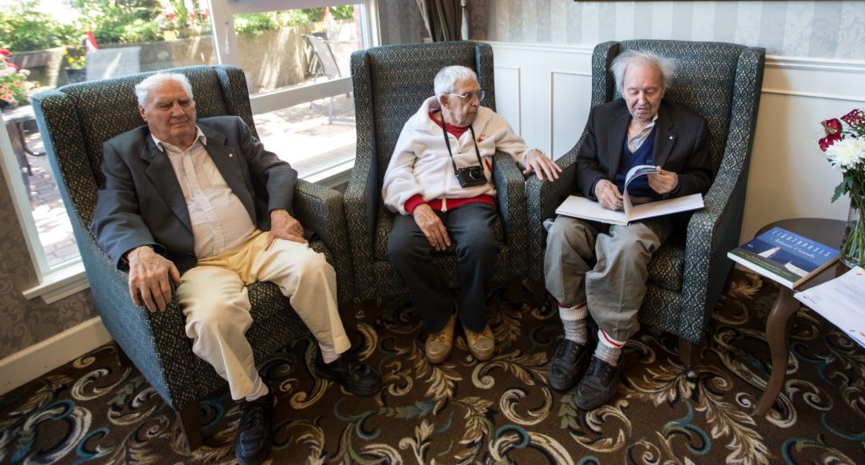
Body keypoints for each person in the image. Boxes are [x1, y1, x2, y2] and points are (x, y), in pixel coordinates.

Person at [91, 72, 381, 465]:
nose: (179, 112)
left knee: (312, 266)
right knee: (212, 319)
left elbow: (276, 169)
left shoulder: (228, 130)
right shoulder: (123, 152)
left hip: (256, 240)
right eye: (165, 105)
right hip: (197, 265)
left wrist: (279, 212)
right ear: (144, 113)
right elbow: (113, 212)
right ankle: (253, 397)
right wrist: (139, 250)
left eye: (185, 102)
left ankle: (336, 356)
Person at [543, 50, 713, 410]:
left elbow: (705, 177)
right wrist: (597, 185)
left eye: (650, 91)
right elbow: (585, 162)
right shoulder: (603, 115)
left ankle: (607, 353)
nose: (641, 101)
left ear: (663, 90)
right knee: (561, 233)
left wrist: (678, 183)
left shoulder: (691, 125)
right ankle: (575, 337)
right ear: (622, 88)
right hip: (601, 205)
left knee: (625, 249)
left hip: (650, 211)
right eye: (633, 91)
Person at [383, 65, 562, 364]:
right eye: (467, 96)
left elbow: (517, 148)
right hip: (423, 203)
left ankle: (473, 316)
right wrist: (416, 206)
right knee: (400, 248)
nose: (476, 102)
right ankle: (440, 317)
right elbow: (396, 172)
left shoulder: (489, 119)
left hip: (472, 201)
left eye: (477, 94)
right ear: (444, 100)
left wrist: (531, 154)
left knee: (481, 243)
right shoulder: (416, 126)